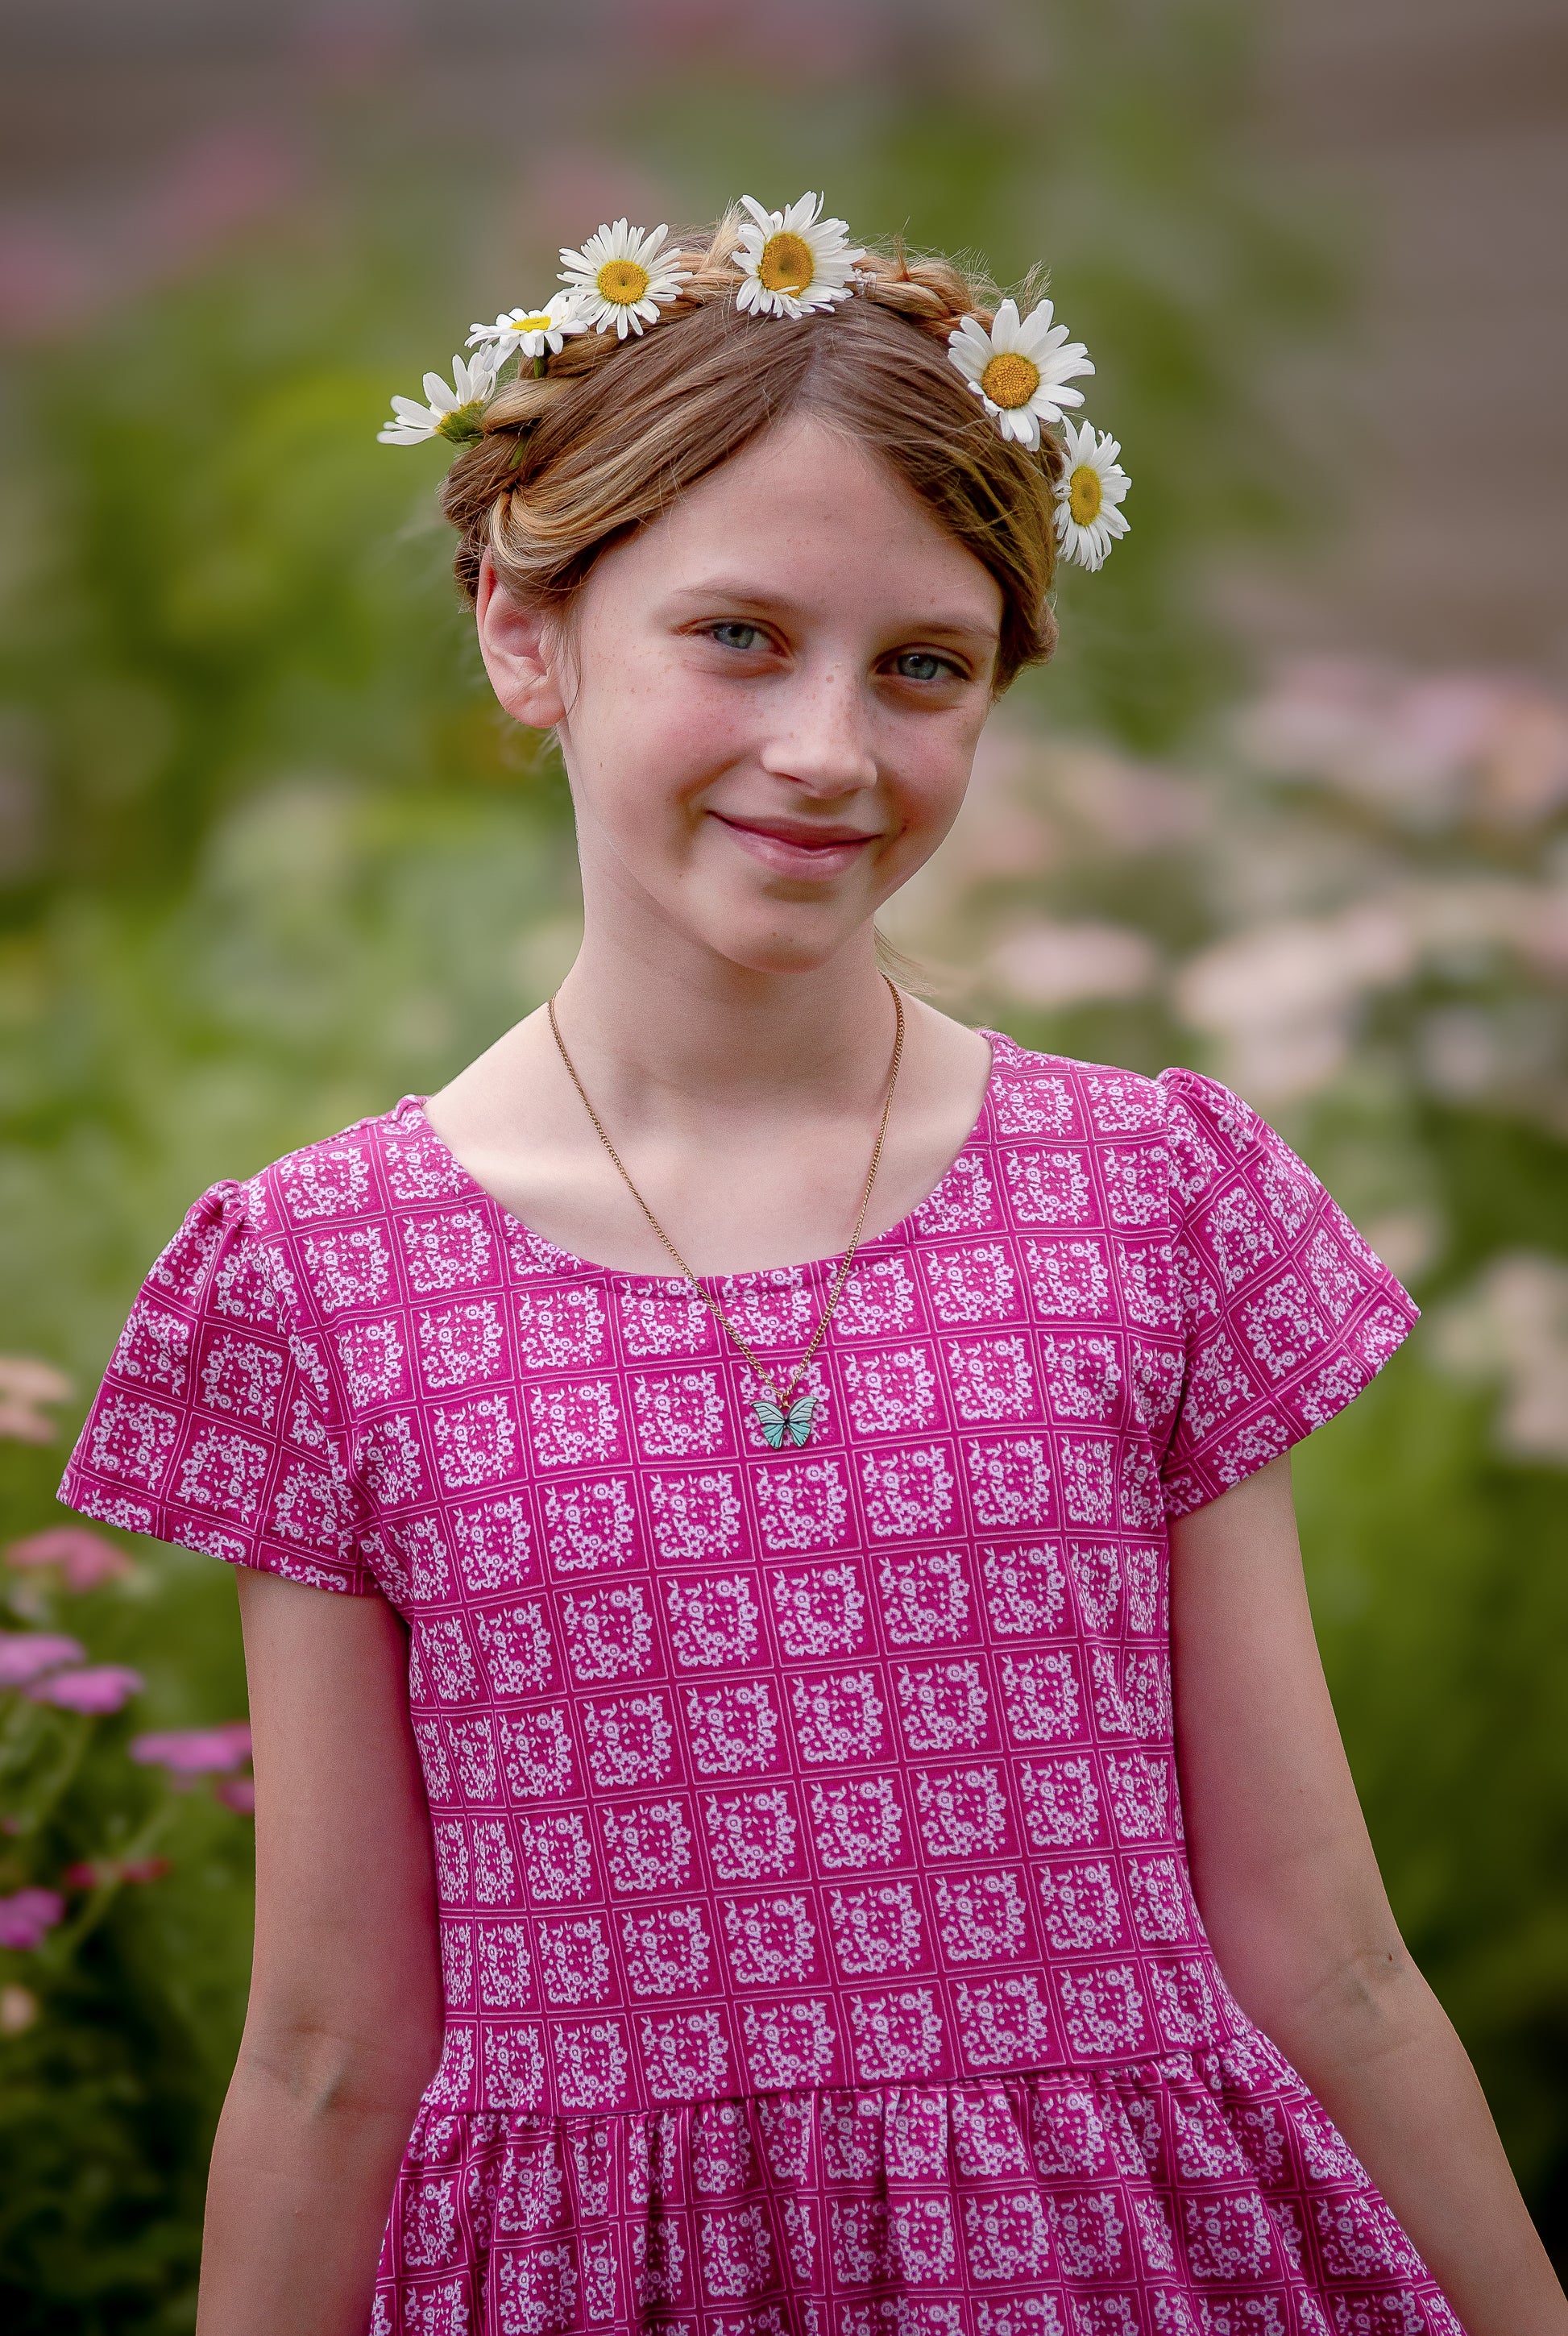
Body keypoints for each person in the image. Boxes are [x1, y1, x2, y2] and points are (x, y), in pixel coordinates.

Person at [60, 197, 1565, 2336]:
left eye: (920, 666)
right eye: (738, 636)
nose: (827, 752)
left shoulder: (1146, 1195)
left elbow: (1321, 1949)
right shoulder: (318, 1281)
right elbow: (326, 2046)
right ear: (522, 626)